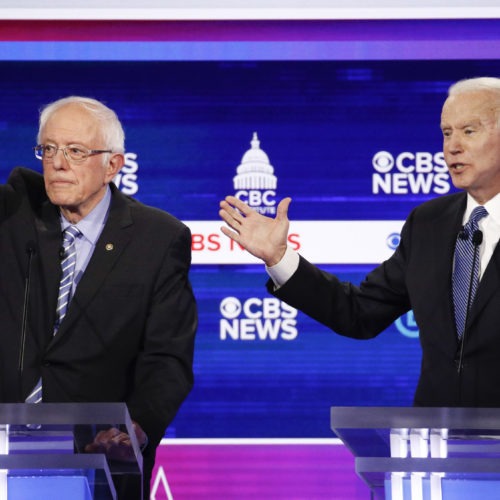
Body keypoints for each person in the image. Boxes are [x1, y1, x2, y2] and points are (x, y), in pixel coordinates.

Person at [220, 76, 500, 408]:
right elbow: (359, 313)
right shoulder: (428, 224)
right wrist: (280, 258)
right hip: (440, 444)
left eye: (469, 131)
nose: (453, 146)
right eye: (446, 133)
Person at [0, 96, 197, 498]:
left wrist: (137, 428)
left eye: (75, 151)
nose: (57, 163)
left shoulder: (157, 239)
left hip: (98, 459)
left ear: (113, 165)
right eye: (49, 149)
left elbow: (167, 357)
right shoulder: (14, 213)